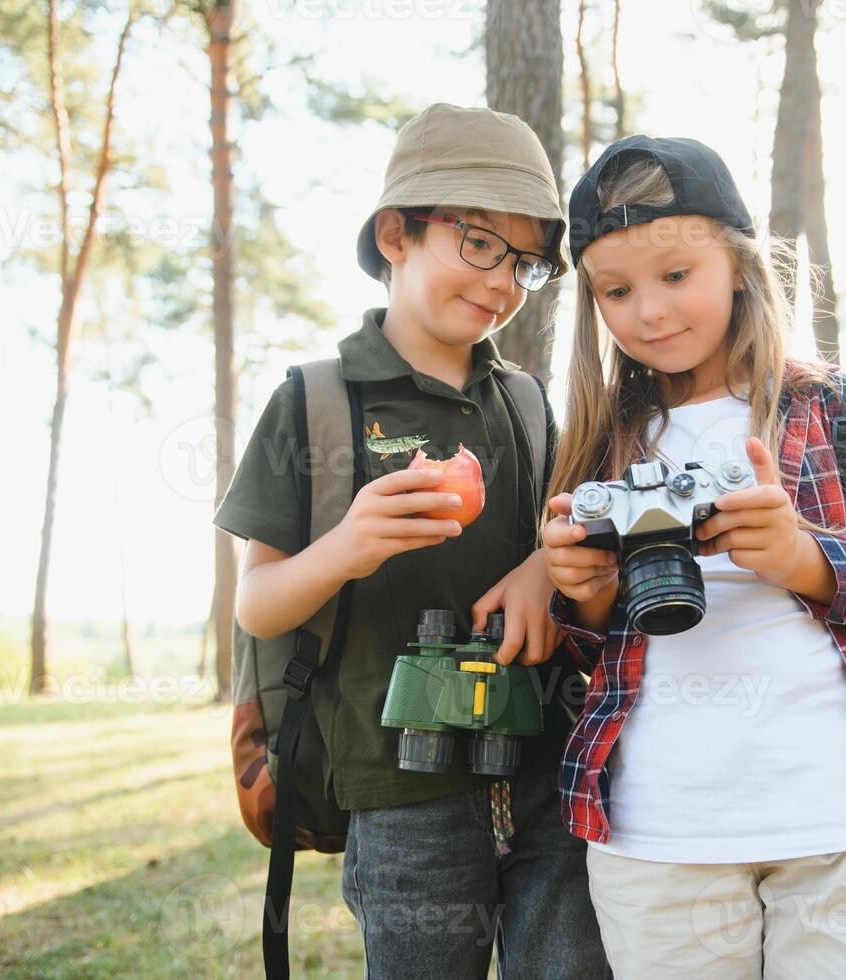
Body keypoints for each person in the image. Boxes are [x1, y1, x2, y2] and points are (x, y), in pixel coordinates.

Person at [536, 134, 846, 978]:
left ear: (736, 265)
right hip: (660, 835)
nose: (649, 311)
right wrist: (582, 594)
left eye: (674, 276)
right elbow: (594, 657)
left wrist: (808, 560)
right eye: (615, 291)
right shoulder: (597, 443)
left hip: (844, 822)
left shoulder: (843, 414)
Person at [212, 103, 609, 980]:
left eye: (525, 263)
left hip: (543, 765)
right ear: (396, 233)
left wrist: (546, 565)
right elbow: (258, 602)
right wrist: (348, 545)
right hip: (399, 789)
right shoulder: (317, 400)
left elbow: (566, 547)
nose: (502, 282)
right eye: (478, 243)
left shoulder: (530, 406)